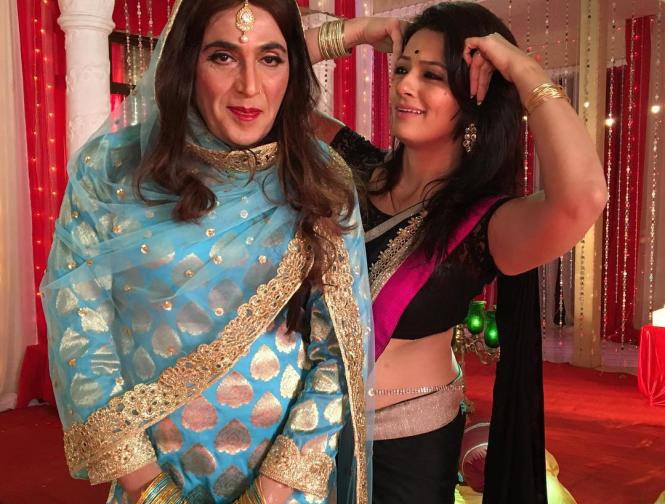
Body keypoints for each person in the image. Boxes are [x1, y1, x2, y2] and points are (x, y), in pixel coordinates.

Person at [41, 1, 374, 503]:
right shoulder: (112, 172)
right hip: (149, 480)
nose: (249, 87)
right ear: (186, 63)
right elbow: (81, 334)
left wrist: (268, 494)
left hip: (285, 488)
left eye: (270, 58)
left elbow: (337, 356)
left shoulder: (319, 178)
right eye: (223, 56)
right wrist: (151, 491)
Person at [306, 2, 607, 503]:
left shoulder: (485, 223)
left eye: (432, 76)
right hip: (306, 432)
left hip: (407, 449)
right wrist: (356, 32)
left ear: (475, 99)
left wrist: (524, 71)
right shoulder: (355, 167)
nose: (405, 85)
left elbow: (584, 198)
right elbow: (270, 92)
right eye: (402, 69)